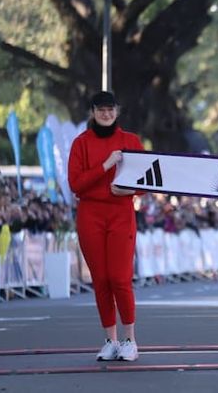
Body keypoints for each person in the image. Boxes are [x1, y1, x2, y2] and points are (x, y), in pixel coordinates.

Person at [68, 91, 144, 362]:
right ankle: (110, 340)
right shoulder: (81, 143)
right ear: (92, 111)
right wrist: (106, 165)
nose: (106, 114)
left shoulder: (131, 141)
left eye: (110, 109)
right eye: (100, 109)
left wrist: (129, 192)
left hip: (121, 214)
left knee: (120, 279)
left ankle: (130, 340)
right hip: (90, 214)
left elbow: (148, 180)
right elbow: (76, 184)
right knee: (100, 280)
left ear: (117, 111)